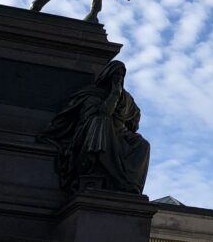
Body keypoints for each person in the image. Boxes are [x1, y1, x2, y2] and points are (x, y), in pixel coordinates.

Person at [41, 60, 151, 194]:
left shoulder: (126, 99)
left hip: (119, 133)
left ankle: (128, 184)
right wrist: (115, 94)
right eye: (116, 74)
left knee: (142, 144)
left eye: (122, 75)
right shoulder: (92, 94)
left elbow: (134, 120)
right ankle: (93, 172)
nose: (119, 78)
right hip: (89, 132)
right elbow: (104, 112)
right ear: (108, 75)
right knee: (102, 122)